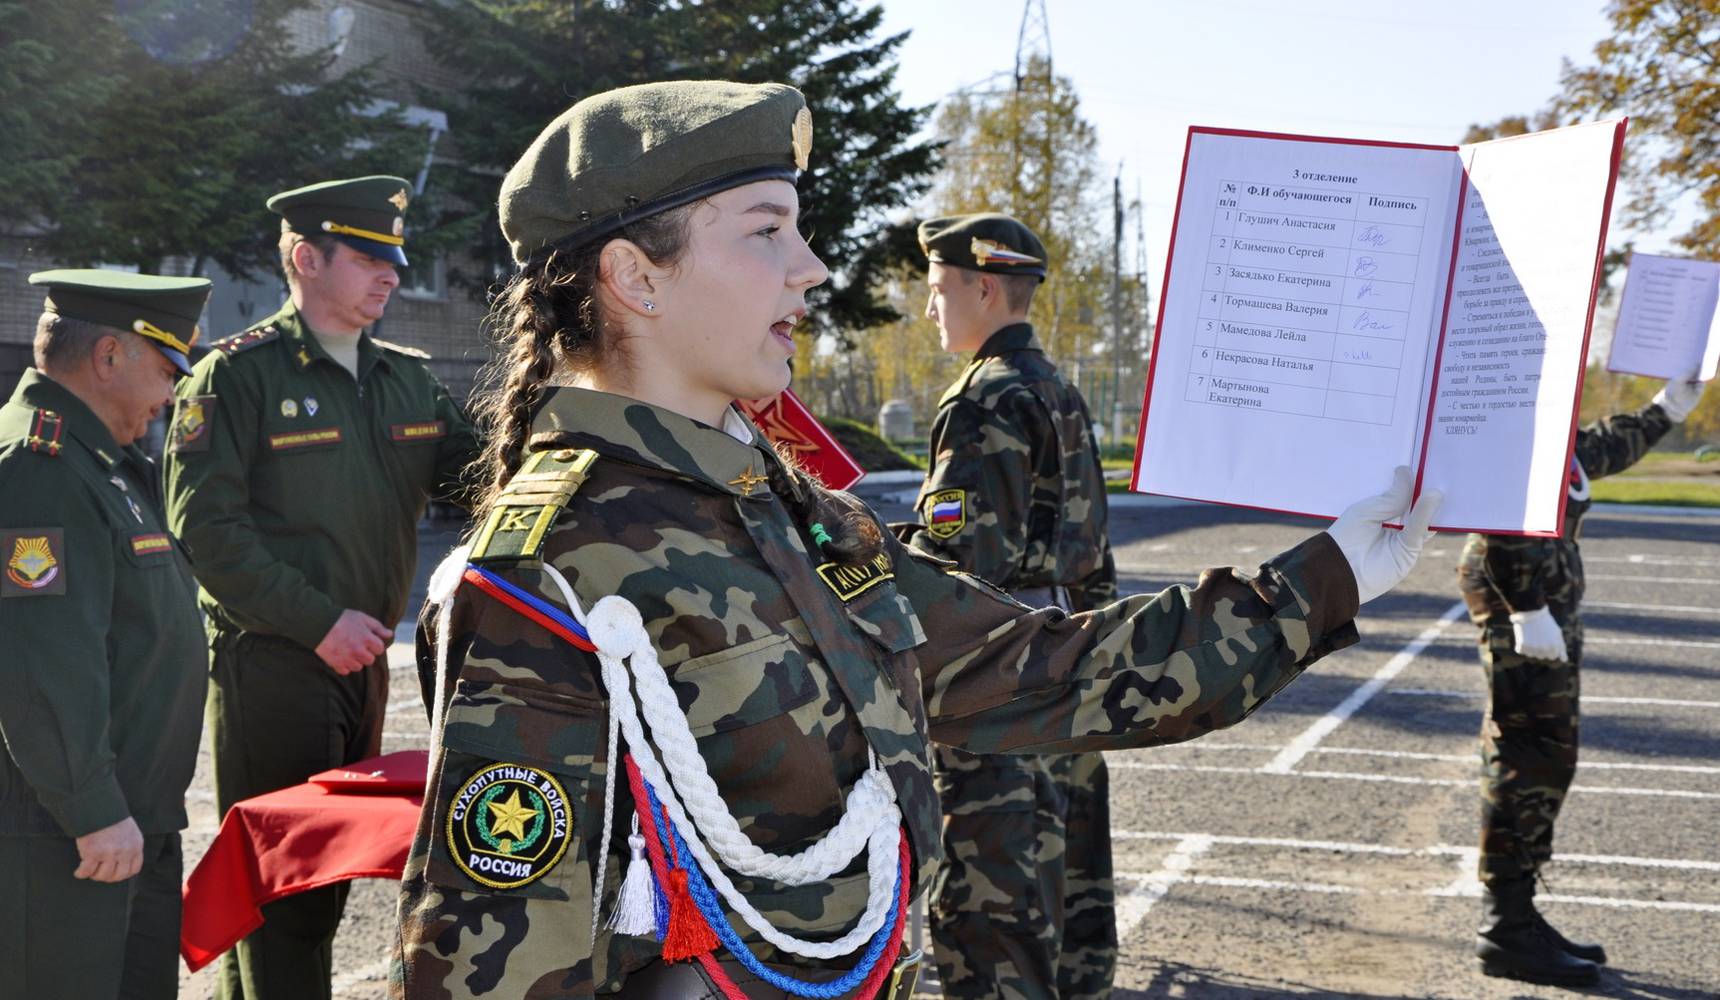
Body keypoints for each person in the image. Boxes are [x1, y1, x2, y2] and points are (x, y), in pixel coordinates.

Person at [391, 80, 1440, 1000]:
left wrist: (1324, 574)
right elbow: (489, 953)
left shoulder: (794, 513)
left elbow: (1040, 669)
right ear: (637, 276)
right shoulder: (552, 565)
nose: (811, 270)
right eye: (766, 232)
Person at [163, 175, 479, 1000]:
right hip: (277, 663)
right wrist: (316, 622)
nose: (393, 276)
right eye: (370, 259)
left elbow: (485, 475)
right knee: (285, 891)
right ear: (307, 258)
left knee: (327, 883)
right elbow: (208, 534)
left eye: (395, 260)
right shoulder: (235, 378)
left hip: (363, 663)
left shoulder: (407, 380)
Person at [896, 212, 1118, 999]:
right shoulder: (1056, 390)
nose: (930, 308)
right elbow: (1088, 549)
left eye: (937, 289)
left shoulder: (982, 401)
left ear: (982, 288)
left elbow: (957, 572)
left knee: (990, 903)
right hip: (1067, 665)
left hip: (995, 687)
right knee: (1066, 877)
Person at [0, 269, 211, 998]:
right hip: (67, 836)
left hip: (126, 819)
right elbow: (40, 662)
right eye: (166, 370)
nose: (171, 396)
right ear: (109, 357)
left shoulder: (104, 462)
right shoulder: (39, 469)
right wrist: (94, 812)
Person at [1457, 375, 1707, 987]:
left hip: (1543, 596)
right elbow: (1498, 504)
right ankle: (1505, 930)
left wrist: (1663, 410)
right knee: (1528, 751)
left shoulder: (1549, 426)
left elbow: (1594, 450)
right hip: (1524, 598)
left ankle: (1519, 914)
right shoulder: (1511, 412)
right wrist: (1524, 606)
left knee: (1549, 753)